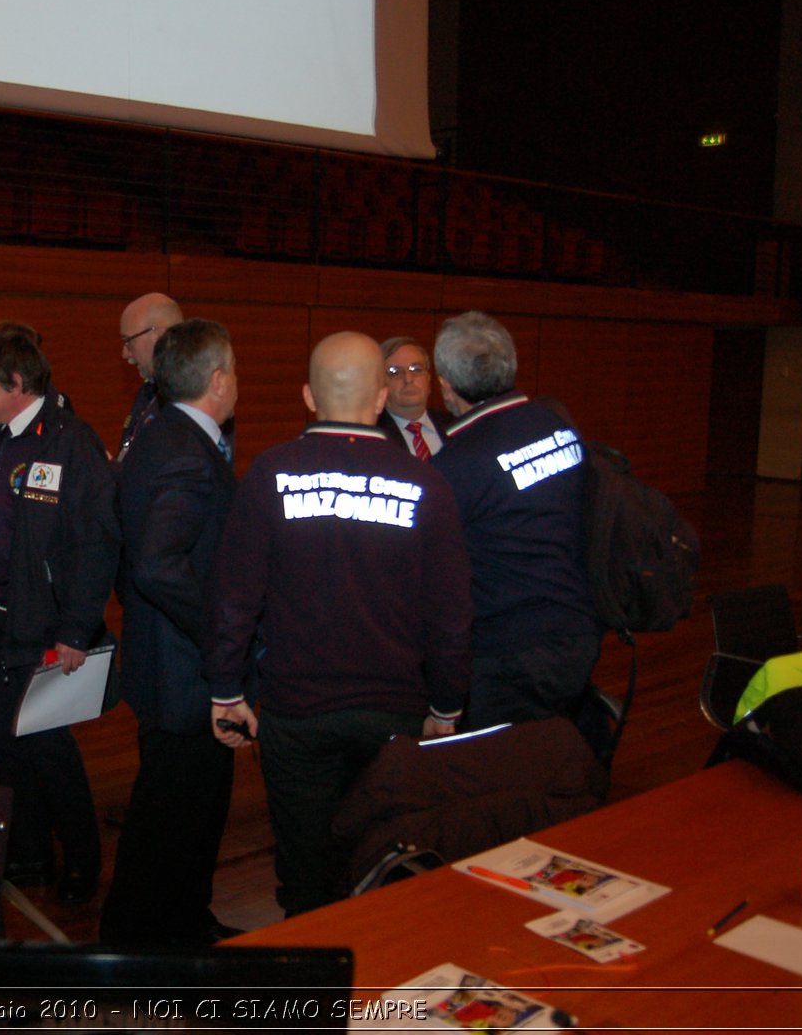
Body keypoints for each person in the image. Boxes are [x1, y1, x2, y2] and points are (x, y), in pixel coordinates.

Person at [202, 331, 472, 917]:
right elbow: (450, 615)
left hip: (295, 714)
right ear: (379, 399)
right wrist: (447, 706)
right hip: (394, 713)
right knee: (385, 859)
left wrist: (226, 690)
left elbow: (234, 598)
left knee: (303, 867)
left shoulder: (270, 473)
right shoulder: (426, 484)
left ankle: (310, 996)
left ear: (307, 396)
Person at [0, 325, 118, 904]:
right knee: (8, 744)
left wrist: (77, 628)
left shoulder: (71, 443)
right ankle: (29, 854)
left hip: (49, 624)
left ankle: (81, 861)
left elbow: (96, 544)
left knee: (48, 746)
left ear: (17, 383)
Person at [100, 318, 241, 946]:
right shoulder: (186, 451)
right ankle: (135, 946)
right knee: (171, 817)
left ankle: (183, 924)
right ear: (217, 380)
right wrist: (223, 635)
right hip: (185, 669)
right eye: (233, 370)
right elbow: (160, 564)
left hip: (166, 662)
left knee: (180, 816)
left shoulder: (161, 436)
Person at [431, 311, 603, 730]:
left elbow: (437, 580)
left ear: (446, 386)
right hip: (577, 631)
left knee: (502, 779)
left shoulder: (455, 465)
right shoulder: (556, 424)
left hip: (510, 654)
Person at [116, 292, 184, 459]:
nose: (124, 353)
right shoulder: (149, 390)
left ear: (158, 334)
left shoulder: (191, 396)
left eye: (128, 340)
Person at [376, 335, 449, 459]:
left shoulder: (453, 424)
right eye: (395, 372)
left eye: (416, 369)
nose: (408, 379)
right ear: (380, 382)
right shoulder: (376, 434)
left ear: (428, 378)